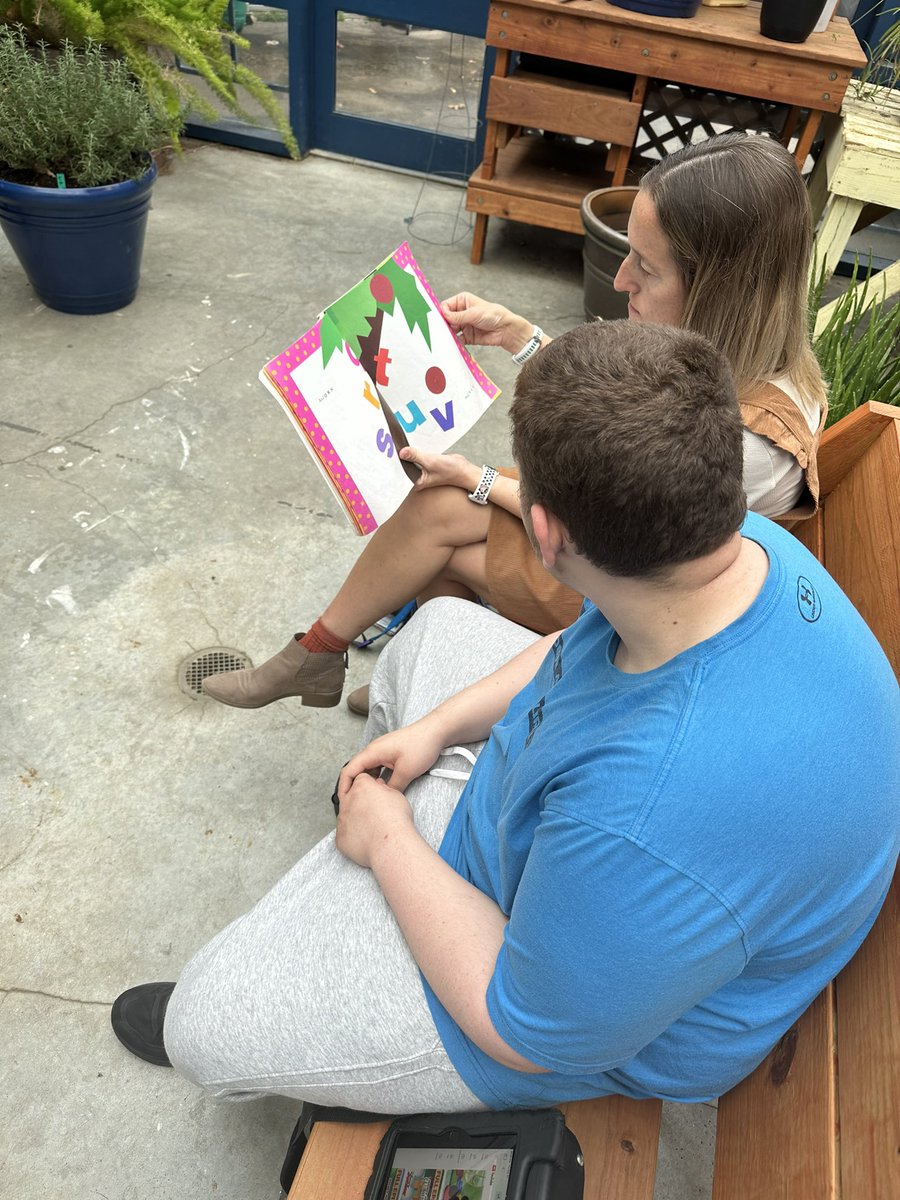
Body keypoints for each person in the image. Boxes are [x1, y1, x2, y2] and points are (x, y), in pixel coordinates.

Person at [112, 320, 898, 1117]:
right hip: (572, 837)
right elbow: (580, 639)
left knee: (205, 1025)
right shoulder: (738, 545)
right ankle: (359, 886)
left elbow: (525, 1030)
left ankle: (344, 960)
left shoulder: (644, 815)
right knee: (435, 631)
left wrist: (388, 842)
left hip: (548, 999)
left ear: (544, 533)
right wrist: (437, 728)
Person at [202, 132, 827, 714]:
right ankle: (382, 670)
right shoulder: (748, 366)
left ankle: (352, 666)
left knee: (439, 528)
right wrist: (519, 336)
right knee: (437, 514)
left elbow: (602, 526)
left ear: (719, 287)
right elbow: (623, 403)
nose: (620, 280)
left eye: (646, 266)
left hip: (629, 593)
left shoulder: (748, 446)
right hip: (622, 534)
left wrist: (476, 478)